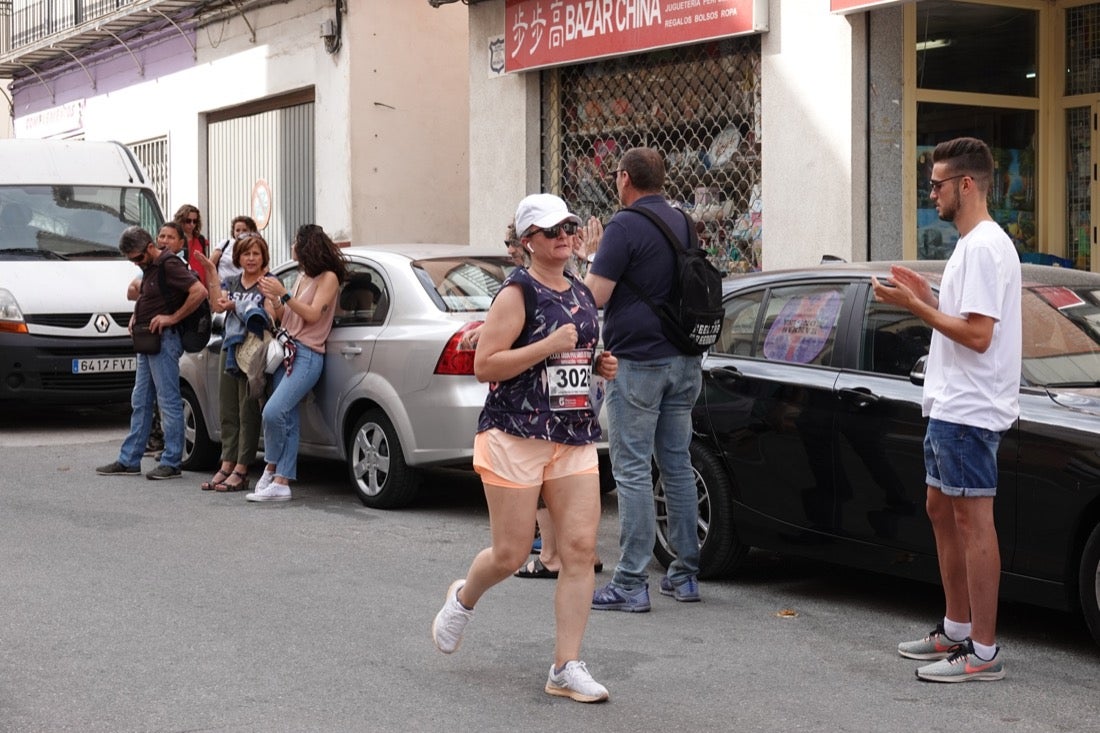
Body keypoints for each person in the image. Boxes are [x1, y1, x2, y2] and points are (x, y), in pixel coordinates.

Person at [431, 193, 618, 703]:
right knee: (512, 554)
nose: (565, 235)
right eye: (553, 229)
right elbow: (485, 365)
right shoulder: (516, 293)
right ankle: (464, 599)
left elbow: (576, 352)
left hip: (572, 436)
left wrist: (598, 364)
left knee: (579, 550)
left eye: (570, 227)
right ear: (529, 241)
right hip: (515, 434)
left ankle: (566, 666)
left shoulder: (581, 292)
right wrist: (546, 347)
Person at [872, 137, 1021, 683]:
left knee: (971, 520)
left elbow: (979, 336)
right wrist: (929, 297)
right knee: (941, 509)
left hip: (970, 408)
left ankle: (982, 651)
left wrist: (915, 308)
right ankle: (956, 630)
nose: (930, 192)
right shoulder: (972, 245)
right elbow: (965, 320)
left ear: (965, 185)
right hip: (952, 404)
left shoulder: (983, 246)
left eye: (936, 184)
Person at [584, 147, 704, 612]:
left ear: (623, 179)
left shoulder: (624, 225)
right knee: (675, 464)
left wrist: (591, 258)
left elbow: (596, 295)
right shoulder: (684, 221)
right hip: (684, 359)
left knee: (632, 469)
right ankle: (685, 574)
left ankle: (631, 580)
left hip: (636, 361)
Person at [96, 226, 206, 480]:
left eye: (137, 257)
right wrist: (137, 315)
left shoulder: (169, 264)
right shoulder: (150, 267)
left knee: (167, 400)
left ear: (148, 247)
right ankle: (129, 459)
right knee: (141, 400)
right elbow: (150, 296)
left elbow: (198, 292)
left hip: (165, 340)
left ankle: (171, 461)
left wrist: (171, 318)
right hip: (148, 340)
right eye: (131, 259)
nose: (136, 262)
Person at [248, 224, 346, 502]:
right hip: (287, 350)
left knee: (272, 411)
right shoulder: (303, 276)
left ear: (306, 246)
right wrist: (275, 300)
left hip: (307, 355)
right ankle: (282, 481)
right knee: (288, 418)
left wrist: (285, 294)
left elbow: (314, 315)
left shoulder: (329, 278)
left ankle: (271, 466)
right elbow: (288, 316)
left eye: (294, 241)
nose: (292, 246)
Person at [194, 234, 273, 492]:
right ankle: (226, 463)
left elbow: (270, 317)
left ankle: (242, 467)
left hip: (253, 353)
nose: (250, 259)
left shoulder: (269, 283)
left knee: (247, 411)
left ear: (264, 257)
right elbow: (217, 305)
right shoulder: (232, 281)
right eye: (246, 254)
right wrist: (210, 272)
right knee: (228, 410)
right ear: (237, 257)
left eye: (256, 254)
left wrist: (237, 308)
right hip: (230, 349)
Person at [211, 215, 259, 283]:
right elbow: (210, 265)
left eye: (245, 230)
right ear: (233, 232)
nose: (240, 233)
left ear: (251, 231)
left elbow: (264, 269)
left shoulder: (256, 247)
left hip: (244, 288)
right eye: (237, 230)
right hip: (222, 287)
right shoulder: (225, 244)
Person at [175, 204, 209, 286]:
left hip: (201, 282)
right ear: (181, 220)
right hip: (184, 283)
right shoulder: (175, 240)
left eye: (195, 221)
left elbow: (205, 265)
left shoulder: (201, 239)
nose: (192, 224)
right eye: (188, 221)